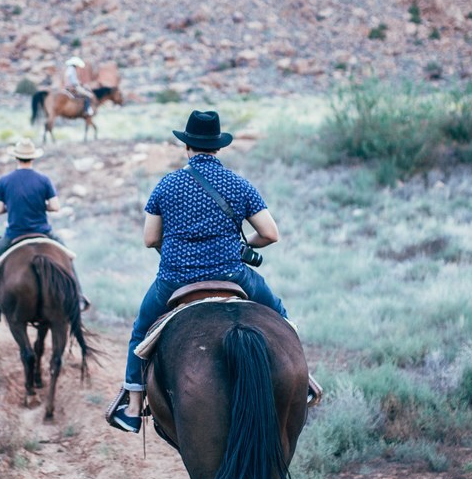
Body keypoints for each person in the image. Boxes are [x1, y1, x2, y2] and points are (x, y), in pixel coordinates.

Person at [107, 109, 316, 434]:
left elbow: (150, 238)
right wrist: (247, 244)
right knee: (280, 316)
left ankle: (133, 407)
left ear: (188, 147)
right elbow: (270, 234)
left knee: (140, 330)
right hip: (233, 273)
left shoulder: (167, 184)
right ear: (218, 147)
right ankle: (303, 384)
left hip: (175, 277)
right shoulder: (239, 184)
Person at [0, 138, 66, 323]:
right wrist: (41, 205)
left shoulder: (4, 180)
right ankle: (79, 297)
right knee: (67, 258)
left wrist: (12, 205)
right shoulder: (43, 179)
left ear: (16, 158)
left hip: (14, 234)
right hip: (43, 232)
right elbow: (55, 206)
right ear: (33, 158)